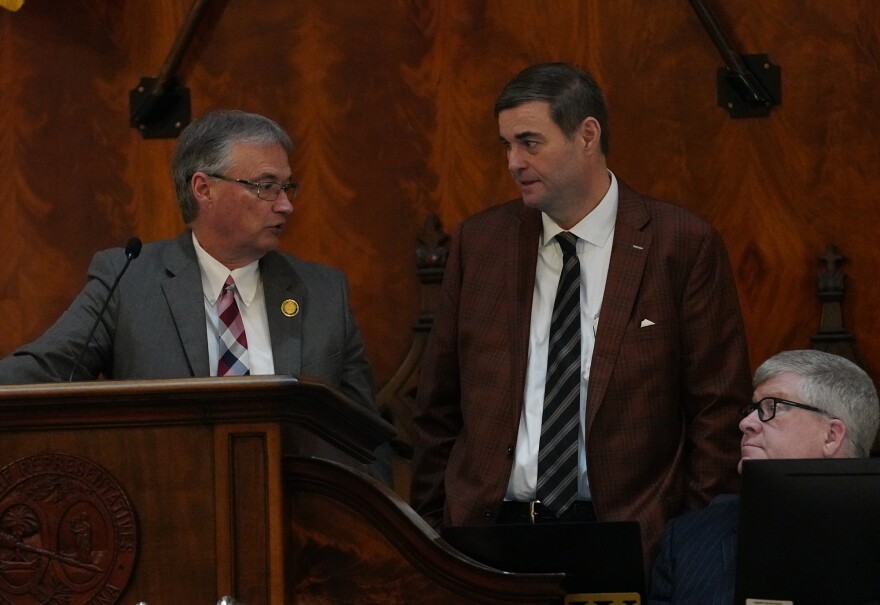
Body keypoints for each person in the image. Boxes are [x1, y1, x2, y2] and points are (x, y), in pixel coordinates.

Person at [409, 62, 752, 564]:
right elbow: (437, 407)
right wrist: (434, 535)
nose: (513, 162)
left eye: (530, 142)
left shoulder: (679, 244)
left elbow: (717, 410)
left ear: (586, 134)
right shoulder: (480, 244)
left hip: (630, 536)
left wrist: (691, 540)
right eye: (505, 145)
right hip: (488, 536)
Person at [0, 109, 390, 483]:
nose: (285, 204)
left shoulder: (323, 293)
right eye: (265, 186)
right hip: (170, 518)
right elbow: (46, 370)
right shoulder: (130, 280)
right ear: (204, 188)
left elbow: (367, 442)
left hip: (301, 524)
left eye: (287, 187)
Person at [649, 349, 880, 605]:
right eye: (751, 409)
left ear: (831, 436)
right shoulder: (688, 539)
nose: (746, 423)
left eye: (771, 407)